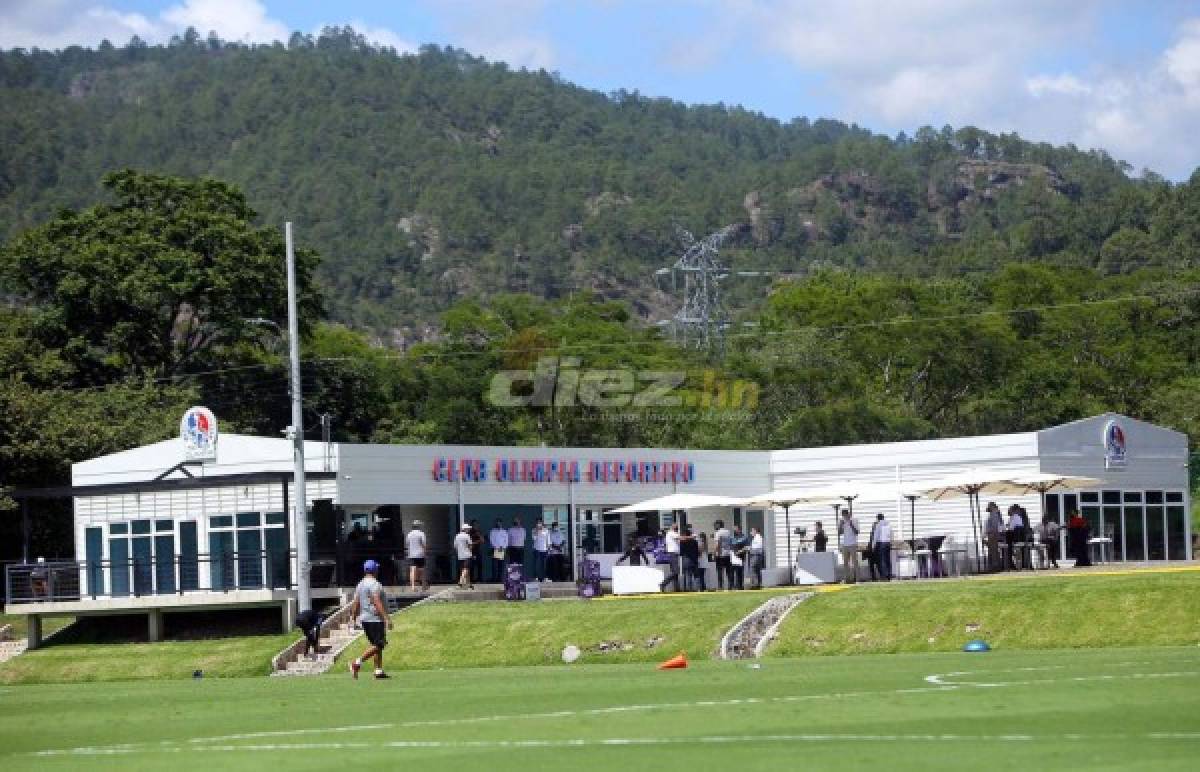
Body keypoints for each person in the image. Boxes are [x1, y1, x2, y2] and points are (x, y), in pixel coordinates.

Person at [349, 559, 393, 679]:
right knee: (379, 644)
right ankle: (356, 663)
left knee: (375, 645)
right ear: (375, 570)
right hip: (375, 618)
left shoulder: (360, 584)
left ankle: (378, 671)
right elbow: (376, 600)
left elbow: (356, 602)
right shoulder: (375, 584)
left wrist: (353, 618)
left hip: (365, 619)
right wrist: (386, 618)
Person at [837, 509, 860, 583]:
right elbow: (839, 533)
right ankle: (847, 579)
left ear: (848, 514)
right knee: (845, 563)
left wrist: (851, 524)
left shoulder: (854, 520)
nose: (844, 517)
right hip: (845, 544)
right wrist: (841, 525)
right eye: (843, 515)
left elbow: (857, 532)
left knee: (855, 562)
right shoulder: (842, 522)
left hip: (852, 544)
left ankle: (857, 579)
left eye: (845, 515)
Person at [679, 526, 704, 591]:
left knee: (688, 575)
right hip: (694, 559)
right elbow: (698, 551)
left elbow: (681, 552)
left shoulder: (682, 542)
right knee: (696, 575)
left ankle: (690, 589)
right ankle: (698, 588)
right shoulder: (694, 541)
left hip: (687, 559)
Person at [405, 520, 428, 592]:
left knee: (412, 570)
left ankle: (413, 586)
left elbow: (407, 544)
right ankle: (423, 586)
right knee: (422, 570)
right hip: (420, 554)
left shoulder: (409, 534)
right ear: (419, 526)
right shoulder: (421, 534)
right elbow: (424, 544)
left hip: (411, 554)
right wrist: (425, 553)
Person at [659, 522, 682, 592]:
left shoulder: (670, 533)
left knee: (674, 572)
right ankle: (663, 584)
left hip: (673, 554)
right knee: (675, 572)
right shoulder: (671, 533)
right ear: (672, 527)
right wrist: (691, 537)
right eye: (676, 527)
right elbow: (681, 538)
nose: (677, 528)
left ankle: (676, 588)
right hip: (673, 554)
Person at [713, 520, 733, 590]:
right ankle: (730, 586)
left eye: (715, 525)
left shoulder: (718, 533)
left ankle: (720, 586)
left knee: (720, 571)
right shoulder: (728, 532)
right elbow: (731, 542)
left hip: (720, 554)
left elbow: (717, 544)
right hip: (728, 554)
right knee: (729, 571)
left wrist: (714, 553)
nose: (714, 526)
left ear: (718, 525)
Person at [984, 502, 1004, 572]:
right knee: (993, 552)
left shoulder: (994, 514)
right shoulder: (994, 514)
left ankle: (995, 567)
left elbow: (995, 526)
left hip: (993, 535)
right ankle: (994, 566)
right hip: (992, 535)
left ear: (992, 507)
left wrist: (992, 534)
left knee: (993, 552)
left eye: (989, 506)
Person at [871, 513, 892, 581]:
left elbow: (876, 535)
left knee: (882, 560)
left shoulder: (878, 524)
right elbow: (891, 533)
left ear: (878, 518)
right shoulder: (888, 524)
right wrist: (891, 542)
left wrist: (873, 546)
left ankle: (884, 576)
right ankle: (889, 575)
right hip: (888, 542)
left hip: (881, 543)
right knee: (888, 559)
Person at [453, 523, 474, 589]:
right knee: (466, 569)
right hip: (467, 555)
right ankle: (461, 581)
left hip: (460, 555)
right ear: (465, 529)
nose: (469, 530)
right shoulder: (467, 536)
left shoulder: (457, 536)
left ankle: (469, 584)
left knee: (466, 569)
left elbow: (455, 546)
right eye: (468, 529)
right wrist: (471, 553)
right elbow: (470, 545)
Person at [1005, 505, 1025, 570]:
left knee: (1007, 546)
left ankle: (1010, 563)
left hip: (1015, 538)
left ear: (1012, 510)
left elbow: (1011, 528)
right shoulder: (1016, 517)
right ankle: (1011, 563)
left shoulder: (1015, 517)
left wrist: (1005, 528)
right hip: (1018, 537)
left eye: (1009, 510)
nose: (1008, 511)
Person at [730, 525, 748, 590]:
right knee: (732, 572)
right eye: (734, 529)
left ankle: (740, 586)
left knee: (739, 572)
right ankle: (732, 586)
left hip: (740, 557)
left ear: (739, 529)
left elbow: (746, 547)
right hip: (733, 557)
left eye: (735, 529)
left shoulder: (744, 537)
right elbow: (730, 546)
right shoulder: (732, 537)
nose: (734, 530)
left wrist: (740, 551)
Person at [468, 519, 484, 583]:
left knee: (480, 565)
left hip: (478, 551)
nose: (475, 526)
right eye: (474, 524)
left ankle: (479, 579)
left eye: (476, 524)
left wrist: (478, 535)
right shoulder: (469, 532)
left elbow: (482, 540)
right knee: (472, 566)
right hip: (472, 551)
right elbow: (469, 542)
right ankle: (472, 579)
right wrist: (477, 542)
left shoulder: (479, 532)